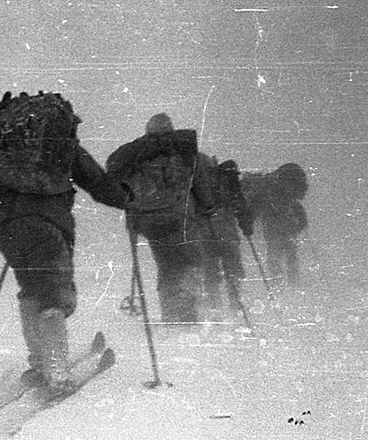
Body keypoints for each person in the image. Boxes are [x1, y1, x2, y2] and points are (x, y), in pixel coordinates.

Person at [0, 93, 127, 393]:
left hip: (9, 231)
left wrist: (8, 231)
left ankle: (40, 365)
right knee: (53, 296)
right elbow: (99, 185)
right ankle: (56, 371)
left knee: (31, 293)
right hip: (48, 229)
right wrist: (129, 199)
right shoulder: (63, 151)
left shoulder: (9, 162)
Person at [107, 113, 216, 324]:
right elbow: (201, 185)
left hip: (148, 224)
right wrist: (208, 208)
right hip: (180, 219)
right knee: (193, 262)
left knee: (167, 267)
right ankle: (187, 312)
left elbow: (116, 185)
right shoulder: (184, 151)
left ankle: (171, 316)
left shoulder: (135, 154)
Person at [200, 158, 255, 319]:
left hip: (205, 232)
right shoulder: (230, 184)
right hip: (226, 233)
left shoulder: (200, 183)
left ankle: (214, 307)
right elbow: (241, 207)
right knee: (233, 269)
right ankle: (236, 305)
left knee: (211, 272)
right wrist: (247, 228)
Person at [242, 162, 308, 286]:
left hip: (273, 226)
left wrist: (248, 222)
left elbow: (256, 208)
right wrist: (300, 224)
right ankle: (292, 285)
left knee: (275, 255)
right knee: (289, 255)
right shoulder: (283, 191)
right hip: (287, 225)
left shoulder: (269, 190)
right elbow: (296, 206)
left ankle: (278, 284)